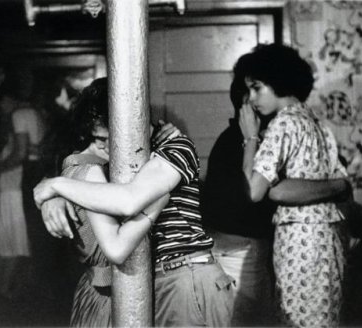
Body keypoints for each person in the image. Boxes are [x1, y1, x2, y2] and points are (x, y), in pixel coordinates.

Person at [34, 78, 236, 327]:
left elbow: (128, 201)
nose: (100, 145)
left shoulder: (175, 147)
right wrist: (55, 196)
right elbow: (85, 175)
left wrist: (55, 186)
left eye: (106, 136)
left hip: (187, 276)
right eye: (96, 137)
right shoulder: (116, 160)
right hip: (161, 281)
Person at [202, 54, 351, 326]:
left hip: (299, 242)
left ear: (278, 83)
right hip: (328, 243)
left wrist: (250, 137)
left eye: (257, 88)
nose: (252, 98)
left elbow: (255, 190)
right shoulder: (318, 123)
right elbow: (342, 183)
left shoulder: (282, 123)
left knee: (295, 319)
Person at [0, 81, 35, 297]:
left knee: (14, 242)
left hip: (13, 188)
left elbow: (19, 156)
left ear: (9, 99)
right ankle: (0, 288)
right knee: (8, 241)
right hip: (9, 188)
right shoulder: (21, 119)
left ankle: (3, 289)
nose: (1, 108)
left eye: (1, 102)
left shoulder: (18, 117)